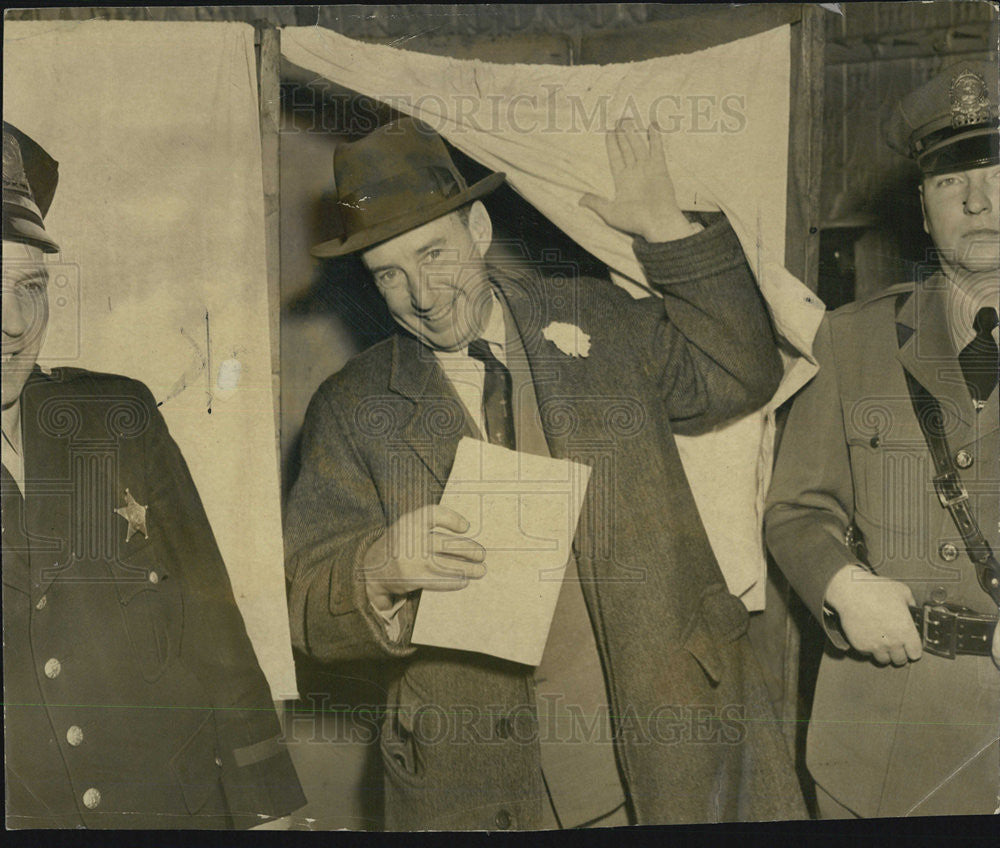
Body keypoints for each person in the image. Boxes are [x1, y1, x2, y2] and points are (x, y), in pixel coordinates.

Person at [284, 115, 805, 830]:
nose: (424, 295)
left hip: (664, 740)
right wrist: (378, 568)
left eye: (434, 254)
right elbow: (305, 605)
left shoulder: (596, 316)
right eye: (390, 276)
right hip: (479, 780)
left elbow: (741, 370)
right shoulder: (352, 407)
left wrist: (668, 232)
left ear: (478, 231)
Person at [1, 122, 306, 829]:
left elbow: (212, 615)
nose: (13, 324)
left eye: (31, 287)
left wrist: (268, 807)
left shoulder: (116, 416)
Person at [765, 60, 1000, 818]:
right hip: (887, 739)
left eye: (998, 171)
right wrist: (841, 584)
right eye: (949, 183)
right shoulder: (853, 339)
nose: (979, 201)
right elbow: (796, 509)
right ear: (925, 210)